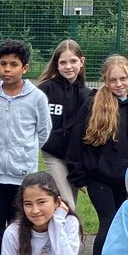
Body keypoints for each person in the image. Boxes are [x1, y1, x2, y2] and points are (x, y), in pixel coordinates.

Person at [66, 54, 128, 255]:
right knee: (108, 221)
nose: (118, 84)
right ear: (105, 80)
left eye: (123, 79)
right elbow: (76, 141)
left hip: (123, 180)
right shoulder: (93, 104)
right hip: (98, 177)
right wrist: (79, 175)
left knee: (121, 225)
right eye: (113, 80)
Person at [0, 39, 51, 255]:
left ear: (25, 68)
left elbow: (43, 132)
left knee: (21, 227)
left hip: (23, 176)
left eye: (13, 64)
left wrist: (24, 154)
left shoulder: (37, 98)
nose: (7, 69)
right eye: (3, 64)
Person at [36, 39, 93, 209]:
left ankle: (56, 225)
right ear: (57, 64)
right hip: (53, 154)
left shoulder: (88, 95)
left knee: (67, 204)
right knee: (68, 204)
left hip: (75, 158)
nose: (68, 66)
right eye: (63, 62)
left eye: (73, 61)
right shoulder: (45, 90)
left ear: (81, 62)